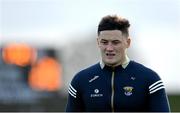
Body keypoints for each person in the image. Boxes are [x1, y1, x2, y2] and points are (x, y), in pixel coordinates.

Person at [66, 15, 170, 112]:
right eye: (104, 42)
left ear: (128, 43)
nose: (109, 48)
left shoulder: (150, 80)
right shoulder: (80, 81)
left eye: (115, 42)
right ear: (98, 42)